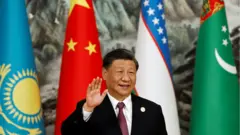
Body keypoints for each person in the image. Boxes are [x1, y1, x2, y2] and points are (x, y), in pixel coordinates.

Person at [61, 48, 167, 135]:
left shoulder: (152, 110)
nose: (126, 78)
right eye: (120, 72)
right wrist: (88, 109)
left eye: (131, 72)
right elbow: (67, 132)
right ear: (105, 74)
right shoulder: (90, 108)